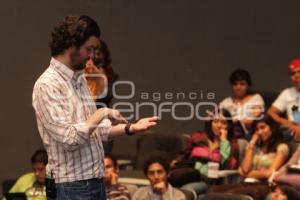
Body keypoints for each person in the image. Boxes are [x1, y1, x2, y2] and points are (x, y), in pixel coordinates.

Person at [32, 15, 158, 200]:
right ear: (71, 45)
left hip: (94, 181)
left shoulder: (79, 79)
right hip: (70, 186)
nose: (92, 56)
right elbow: (70, 139)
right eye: (88, 49)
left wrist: (131, 127)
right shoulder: (47, 85)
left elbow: (96, 131)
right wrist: (101, 112)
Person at [208, 116, 289, 200]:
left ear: (272, 127)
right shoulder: (255, 149)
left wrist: (249, 173)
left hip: (264, 185)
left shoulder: (281, 147)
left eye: (263, 127)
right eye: (257, 130)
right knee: (212, 190)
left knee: (230, 194)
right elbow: (245, 168)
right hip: (246, 182)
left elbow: (269, 173)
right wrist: (252, 143)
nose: (259, 132)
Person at [85, 39, 119, 153]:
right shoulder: (82, 73)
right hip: (87, 124)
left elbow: (103, 96)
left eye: (97, 52)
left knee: (104, 159)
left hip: (103, 124)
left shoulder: (104, 74)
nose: (93, 56)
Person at [220, 68, 264, 140]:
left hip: (249, 135)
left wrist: (237, 121)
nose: (238, 87)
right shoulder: (226, 102)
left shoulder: (256, 98)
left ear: (248, 85)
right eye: (235, 84)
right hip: (229, 134)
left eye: (242, 84)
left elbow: (254, 119)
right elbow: (215, 117)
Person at [268, 59, 300, 141]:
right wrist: (285, 121)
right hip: (292, 131)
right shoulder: (287, 93)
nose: (296, 76)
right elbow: (271, 112)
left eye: (299, 72)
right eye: (293, 73)